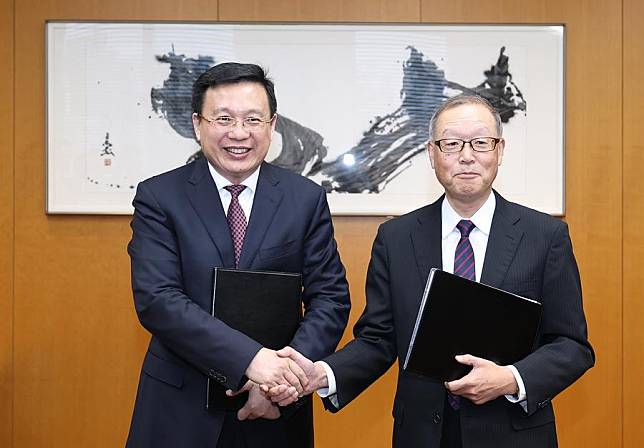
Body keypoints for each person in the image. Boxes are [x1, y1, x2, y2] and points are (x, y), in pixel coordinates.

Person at [270, 94, 594, 447]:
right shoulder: (396, 238)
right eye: (451, 144)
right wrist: (323, 373)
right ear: (432, 153)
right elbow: (379, 338)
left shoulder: (545, 237)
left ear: (500, 150)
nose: (466, 156)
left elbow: (571, 345)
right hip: (423, 434)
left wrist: (511, 379)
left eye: (481, 143)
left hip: (512, 432)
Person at [126, 62, 350, 448]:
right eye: (223, 118)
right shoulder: (159, 197)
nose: (239, 133)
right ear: (198, 124)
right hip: (180, 408)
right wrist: (252, 361)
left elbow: (329, 298)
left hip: (278, 410)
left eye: (253, 119)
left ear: (272, 124)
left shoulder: (305, 199)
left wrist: (283, 377)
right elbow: (158, 300)